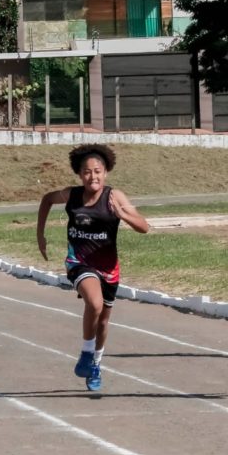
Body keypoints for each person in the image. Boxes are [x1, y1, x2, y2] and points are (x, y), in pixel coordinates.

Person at [37, 143, 149, 392]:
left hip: (109, 267)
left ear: (106, 171)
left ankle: (96, 364)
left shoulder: (115, 196)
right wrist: (40, 235)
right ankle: (86, 353)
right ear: (79, 174)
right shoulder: (72, 195)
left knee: (104, 321)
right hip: (79, 262)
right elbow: (46, 199)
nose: (92, 176)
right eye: (87, 172)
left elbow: (144, 226)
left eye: (97, 171)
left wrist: (123, 214)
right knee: (94, 304)